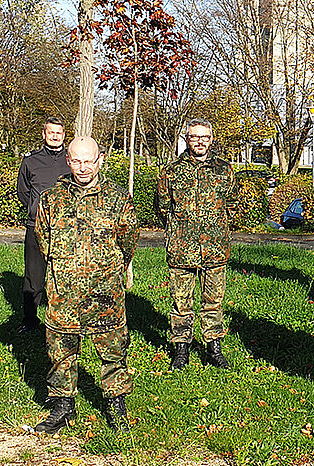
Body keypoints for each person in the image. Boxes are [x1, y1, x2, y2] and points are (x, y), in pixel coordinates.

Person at [32, 136, 138, 433]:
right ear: (68, 160)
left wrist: (110, 268)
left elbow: (127, 241)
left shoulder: (118, 198)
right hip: (63, 291)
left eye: (88, 160)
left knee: (113, 351)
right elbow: (43, 240)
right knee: (61, 352)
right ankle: (62, 405)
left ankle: (116, 403)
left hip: (105, 292)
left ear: (99, 159)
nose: (82, 167)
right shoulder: (52, 198)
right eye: (76, 160)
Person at [156, 119, 238, 370]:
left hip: (215, 247)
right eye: (194, 137)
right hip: (182, 248)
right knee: (181, 303)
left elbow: (233, 204)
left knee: (213, 301)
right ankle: (181, 350)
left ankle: (214, 349)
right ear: (187, 139)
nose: (200, 141)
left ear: (211, 139)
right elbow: (162, 207)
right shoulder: (170, 171)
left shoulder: (225, 169)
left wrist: (217, 227)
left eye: (204, 137)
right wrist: (180, 229)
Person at [15, 116, 71, 332]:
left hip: (66, 227)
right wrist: (36, 209)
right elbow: (24, 192)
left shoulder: (72, 159)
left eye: (59, 132)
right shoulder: (30, 161)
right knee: (33, 276)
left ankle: (65, 318)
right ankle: (29, 320)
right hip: (36, 226)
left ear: (64, 135)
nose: (55, 136)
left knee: (66, 274)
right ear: (44, 134)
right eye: (51, 132)